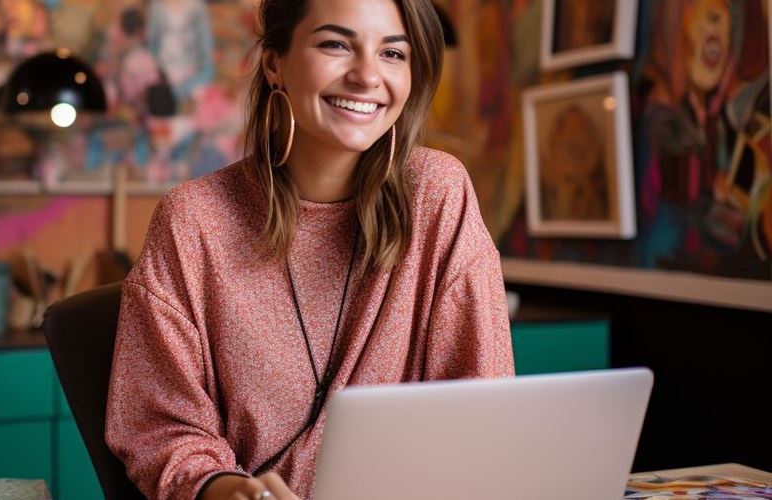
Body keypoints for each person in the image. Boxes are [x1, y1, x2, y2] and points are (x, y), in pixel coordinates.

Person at [106, 0, 515, 498]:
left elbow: (483, 402)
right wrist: (224, 488)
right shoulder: (194, 220)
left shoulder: (438, 193)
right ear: (275, 61)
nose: (368, 76)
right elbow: (158, 426)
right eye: (336, 44)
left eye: (393, 53)